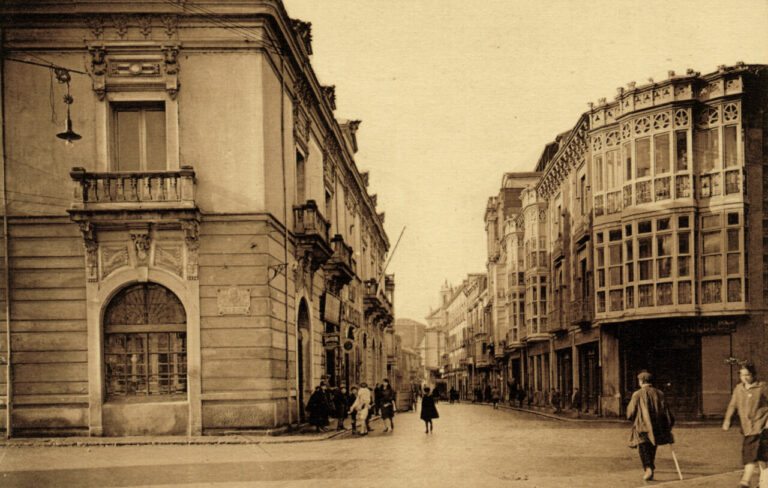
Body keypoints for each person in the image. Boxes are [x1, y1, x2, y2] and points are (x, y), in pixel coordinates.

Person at [722, 361, 768, 488]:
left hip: (761, 425)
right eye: (742, 375)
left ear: (753, 375)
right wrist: (727, 420)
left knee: (750, 452)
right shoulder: (739, 389)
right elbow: (732, 405)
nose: (744, 378)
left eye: (747, 375)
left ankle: (745, 481)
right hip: (747, 427)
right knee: (761, 455)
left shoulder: (762, 387)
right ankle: (765, 482)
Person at [626, 371, 675, 482]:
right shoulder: (660, 393)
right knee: (652, 446)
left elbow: (630, 413)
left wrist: (634, 420)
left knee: (643, 447)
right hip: (657, 426)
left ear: (642, 381)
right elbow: (666, 411)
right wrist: (668, 425)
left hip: (642, 425)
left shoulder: (637, 394)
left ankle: (648, 468)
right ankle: (650, 467)